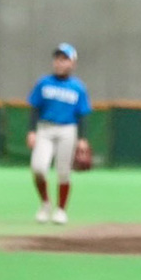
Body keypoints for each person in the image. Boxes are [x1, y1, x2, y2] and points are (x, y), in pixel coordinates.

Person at [26, 43, 92, 225]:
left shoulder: (78, 87)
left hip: (67, 130)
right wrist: (31, 131)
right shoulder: (43, 83)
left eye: (65, 59)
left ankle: (61, 210)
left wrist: (83, 139)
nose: (60, 62)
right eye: (58, 58)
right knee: (38, 168)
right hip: (45, 129)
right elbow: (35, 108)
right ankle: (45, 204)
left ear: (73, 63)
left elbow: (82, 114)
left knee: (64, 172)